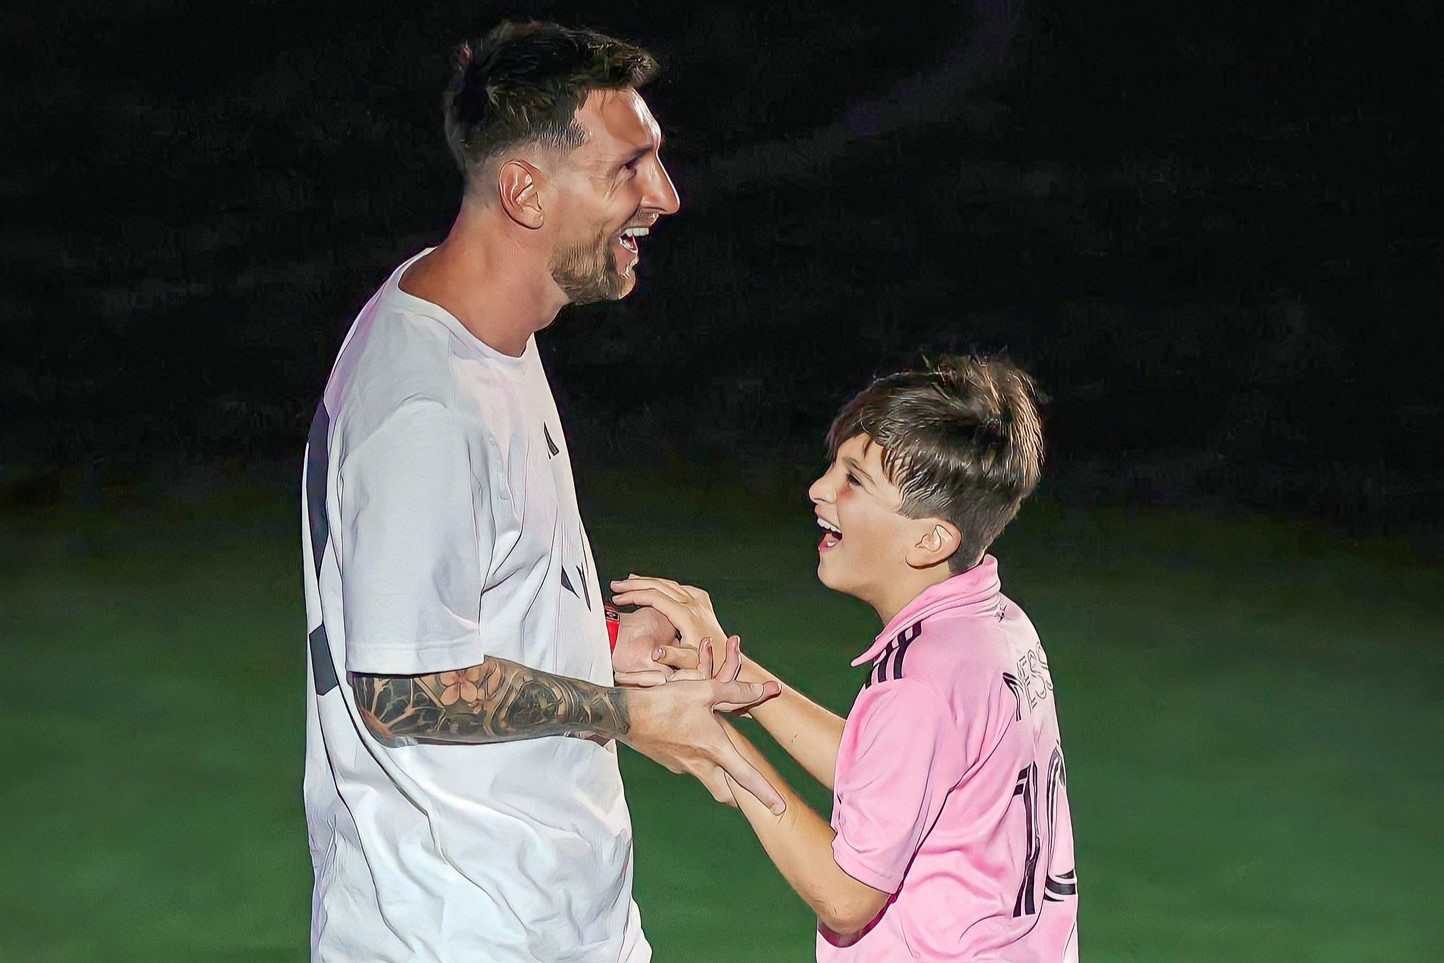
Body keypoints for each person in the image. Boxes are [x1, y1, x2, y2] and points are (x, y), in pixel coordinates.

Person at [298, 21, 782, 963]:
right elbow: (403, 687)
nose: (665, 196)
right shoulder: (426, 408)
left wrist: (606, 644)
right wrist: (626, 713)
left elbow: (454, 609)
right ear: (525, 191)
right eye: (629, 168)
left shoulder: (482, 331)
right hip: (457, 934)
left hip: (554, 920)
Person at [614, 355, 1080, 960]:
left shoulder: (922, 682)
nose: (818, 489)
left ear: (930, 539)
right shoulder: (996, 627)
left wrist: (717, 746)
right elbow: (890, 773)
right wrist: (732, 671)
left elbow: (846, 897)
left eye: (855, 480)